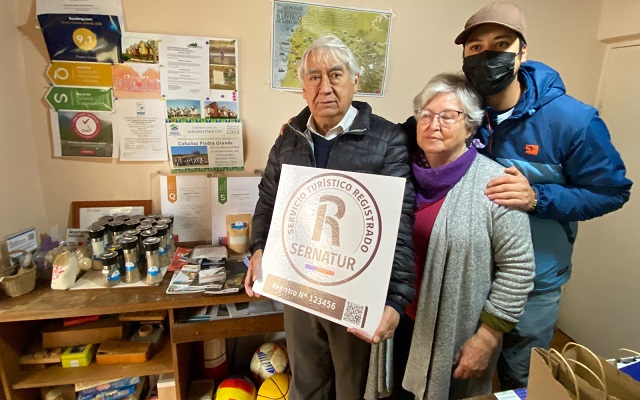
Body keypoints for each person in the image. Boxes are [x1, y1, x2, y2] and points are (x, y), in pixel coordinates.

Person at [452, 2, 633, 389]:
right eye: (476, 48)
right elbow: (411, 136)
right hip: (471, 279)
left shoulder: (572, 120)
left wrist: (538, 197)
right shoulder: (460, 112)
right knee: (467, 375)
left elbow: (612, 191)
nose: (488, 56)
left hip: (535, 284)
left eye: (501, 44)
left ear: (522, 52)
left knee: (525, 379)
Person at [244, 34, 415, 400]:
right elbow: (268, 200)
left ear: (355, 81)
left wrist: (396, 301)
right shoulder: (289, 136)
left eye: (336, 75)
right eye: (314, 77)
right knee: (306, 385)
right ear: (303, 87)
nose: (325, 87)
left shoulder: (388, 140)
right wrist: (258, 247)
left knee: (353, 388)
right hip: (299, 287)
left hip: (355, 291)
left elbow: (399, 223)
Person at [394, 73, 535, 399]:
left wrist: (487, 338)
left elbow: (519, 268)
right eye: (425, 115)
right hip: (398, 322)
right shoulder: (399, 172)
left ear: (470, 127)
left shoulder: (496, 184)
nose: (433, 124)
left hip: (454, 332)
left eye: (448, 116)